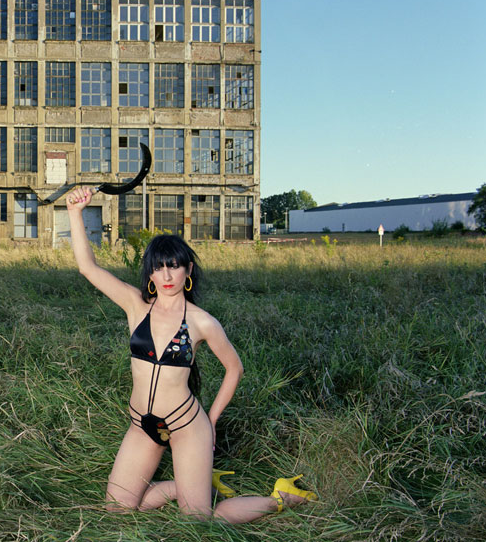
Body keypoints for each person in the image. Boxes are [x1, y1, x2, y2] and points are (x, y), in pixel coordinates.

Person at [66, 186, 316, 522]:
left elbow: (234, 369)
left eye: (174, 267)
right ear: (150, 275)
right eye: (159, 268)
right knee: (117, 509)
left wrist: (211, 421)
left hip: (186, 427)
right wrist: (75, 212)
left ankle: (283, 496)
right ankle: (189, 485)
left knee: (198, 519)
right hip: (142, 426)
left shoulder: (201, 322)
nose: (167, 275)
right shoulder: (135, 306)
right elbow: (87, 267)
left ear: (187, 272)